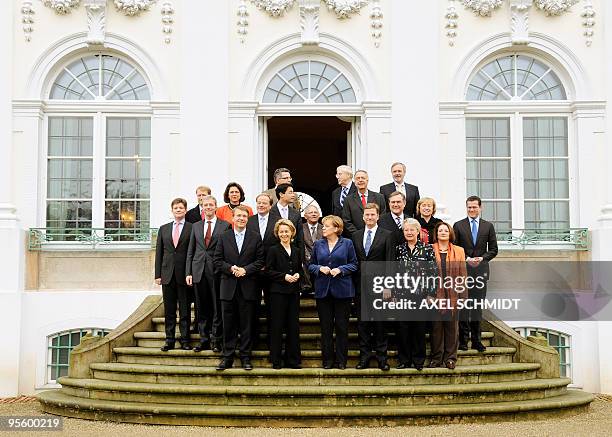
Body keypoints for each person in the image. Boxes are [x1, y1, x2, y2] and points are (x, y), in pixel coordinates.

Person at [213, 205, 265, 370]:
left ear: (247, 218)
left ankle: (245, 357)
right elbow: (217, 260)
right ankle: (227, 357)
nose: (241, 218)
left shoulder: (255, 237)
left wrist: (246, 270)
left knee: (246, 324)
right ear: (232, 218)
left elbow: (260, 261)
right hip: (228, 287)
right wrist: (230, 268)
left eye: (244, 216)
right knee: (228, 324)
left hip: (248, 287)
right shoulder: (223, 237)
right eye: (238, 216)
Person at [308, 215, 358, 369]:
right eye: (323, 226)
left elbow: (354, 264)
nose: (323, 228)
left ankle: (341, 361)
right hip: (323, 291)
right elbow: (310, 265)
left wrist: (341, 269)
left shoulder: (347, 243)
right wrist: (319, 268)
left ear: (336, 228)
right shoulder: (318, 244)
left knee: (342, 328)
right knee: (326, 328)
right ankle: (327, 361)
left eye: (326, 226)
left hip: (343, 291)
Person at [185, 195, 231, 353]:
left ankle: (216, 340)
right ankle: (203, 339)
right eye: (206, 205)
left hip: (217, 272)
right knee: (201, 307)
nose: (208, 207)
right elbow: (190, 251)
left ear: (216, 207)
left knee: (217, 307)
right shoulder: (196, 226)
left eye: (211, 205)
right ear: (202, 207)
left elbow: (227, 250)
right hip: (198, 271)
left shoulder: (225, 226)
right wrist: (188, 272)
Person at [351, 203, 393, 371]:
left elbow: (390, 262)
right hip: (360, 286)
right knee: (363, 324)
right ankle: (365, 357)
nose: (369, 218)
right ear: (363, 217)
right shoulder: (356, 235)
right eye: (366, 215)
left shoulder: (387, 235)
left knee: (380, 323)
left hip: (380, 286)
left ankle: (382, 358)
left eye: (372, 215)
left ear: (377, 216)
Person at [453, 196, 498, 353]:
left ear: (480, 208)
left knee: (477, 308)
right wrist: (466, 259)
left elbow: (494, 249)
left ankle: (477, 341)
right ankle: (463, 341)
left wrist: (482, 258)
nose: (472, 210)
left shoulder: (488, 226)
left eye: (474, 207)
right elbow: (455, 248)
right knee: (464, 307)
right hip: (463, 272)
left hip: (480, 272)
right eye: (469, 207)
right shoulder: (458, 226)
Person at [394, 218, 438, 370]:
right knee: (403, 328)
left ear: (418, 232)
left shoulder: (427, 249)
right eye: (406, 230)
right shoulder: (399, 249)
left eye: (412, 230)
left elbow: (433, 273)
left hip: (421, 295)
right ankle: (404, 360)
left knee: (419, 329)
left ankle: (418, 360)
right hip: (402, 295)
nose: (409, 232)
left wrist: (431, 294)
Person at [154, 198, 193, 351]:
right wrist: (158, 274)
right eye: (176, 208)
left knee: (184, 310)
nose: (178, 210)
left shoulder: (192, 228)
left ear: (185, 210)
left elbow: (192, 252)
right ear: (172, 210)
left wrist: (190, 273)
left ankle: (185, 340)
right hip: (167, 274)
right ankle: (169, 339)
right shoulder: (163, 229)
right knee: (169, 310)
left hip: (184, 274)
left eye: (181, 208)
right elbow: (159, 253)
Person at [265, 219, 303, 369]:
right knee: (277, 325)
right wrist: (283, 277)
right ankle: (276, 360)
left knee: (293, 326)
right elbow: (268, 271)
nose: (284, 234)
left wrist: (298, 275)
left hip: (293, 293)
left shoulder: (297, 250)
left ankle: (293, 360)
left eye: (286, 231)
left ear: (292, 232)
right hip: (277, 293)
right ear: (277, 233)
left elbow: (299, 268)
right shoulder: (273, 250)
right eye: (281, 231)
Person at [430, 221, 467, 370]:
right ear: (436, 234)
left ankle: (450, 358)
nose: (443, 233)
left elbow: (463, 274)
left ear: (450, 233)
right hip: (435, 295)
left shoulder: (459, 251)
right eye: (440, 231)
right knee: (436, 328)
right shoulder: (430, 249)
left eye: (446, 230)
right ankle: (436, 358)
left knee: (452, 328)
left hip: (453, 294)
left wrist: (462, 296)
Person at [341, 170, 387, 236]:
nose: (360, 180)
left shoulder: (379, 197)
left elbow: (383, 217)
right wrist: (357, 234)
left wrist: (376, 232)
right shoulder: (348, 200)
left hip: (377, 236)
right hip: (356, 237)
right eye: (358, 178)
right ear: (354, 182)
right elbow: (346, 220)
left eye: (363, 178)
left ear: (367, 180)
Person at [271, 183, 303, 251]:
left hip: (293, 254)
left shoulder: (296, 214)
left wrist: (301, 259)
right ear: (281, 194)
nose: (293, 195)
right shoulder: (270, 212)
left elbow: (300, 238)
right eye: (290, 192)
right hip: (274, 254)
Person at [302, 205, 323, 292]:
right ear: (305, 216)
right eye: (311, 212)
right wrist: (308, 256)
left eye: (316, 212)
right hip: (306, 256)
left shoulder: (324, 228)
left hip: (322, 256)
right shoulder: (300, 228)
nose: (314, 214)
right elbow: (301, 244)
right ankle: (306, 288)